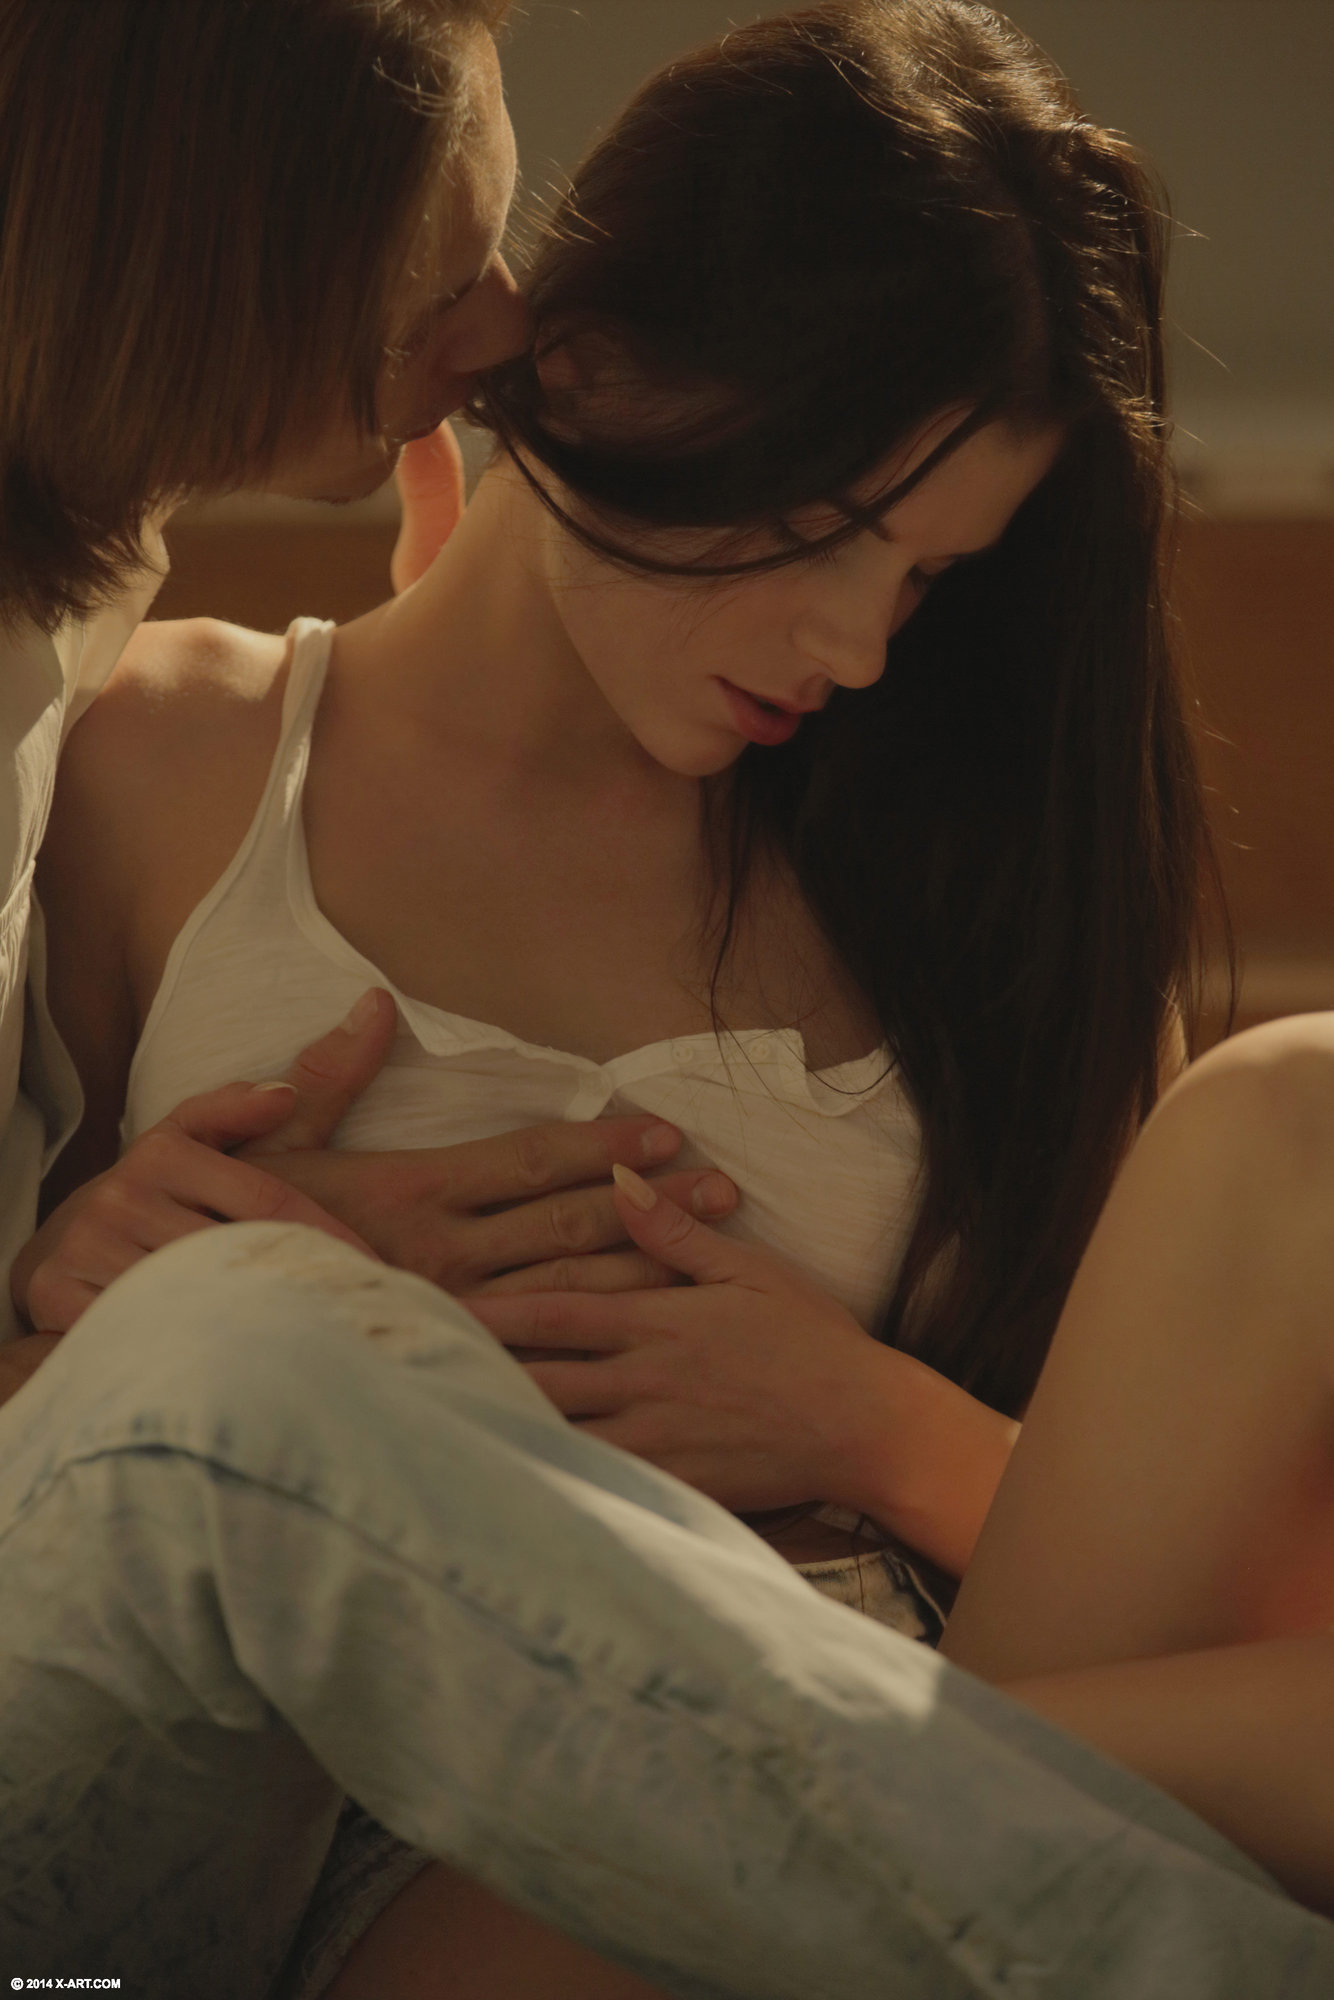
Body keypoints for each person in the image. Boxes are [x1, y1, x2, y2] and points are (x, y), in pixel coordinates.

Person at [7, 4, 1334, 1997]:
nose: (858, 647)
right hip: (375, 1840)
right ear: (590, 356)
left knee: (1305, 1105)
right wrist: (74, 1307)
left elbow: (1212, 1571)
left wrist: (874, 1428)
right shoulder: (156, 751)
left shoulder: (965, 886)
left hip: (910, 1748)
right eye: (818, 531)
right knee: (242, 1346)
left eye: (923, 579)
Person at [0, 0, 740, 1394]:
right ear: (192, 286)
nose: (507, 330)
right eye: (434, 294)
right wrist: (243, 1312)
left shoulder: (80, 577)